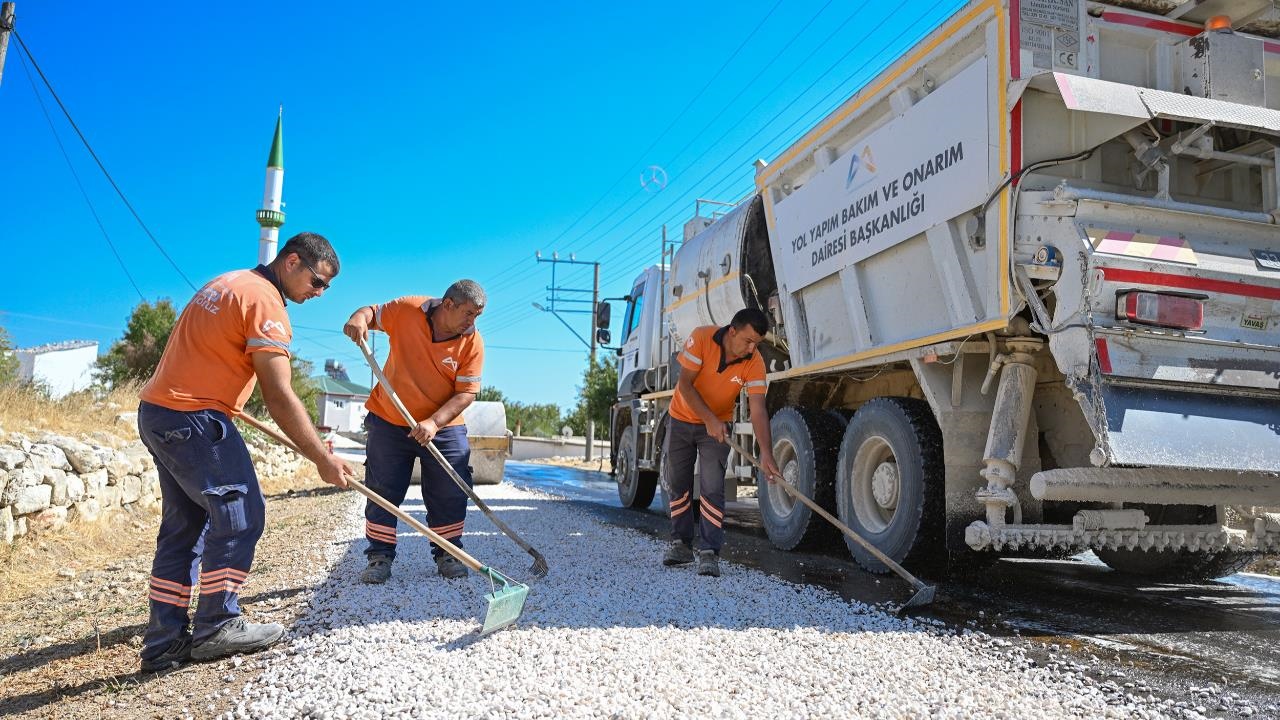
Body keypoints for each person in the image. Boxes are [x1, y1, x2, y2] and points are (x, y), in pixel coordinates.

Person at [136, 232, 354, 672]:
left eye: (327, 287)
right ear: (291, 262)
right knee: (240, 516)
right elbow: (279, 393)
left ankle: (164, 643)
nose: (319, 293)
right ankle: (217, 624)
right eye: (317, 282)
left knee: (185, 529)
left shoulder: (227, 283)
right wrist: (322, 458)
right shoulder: (265, 301)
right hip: (195, 418)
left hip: (159, 412)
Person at [342, 280, 486, 584]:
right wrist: (358, 318)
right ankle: (379, 556)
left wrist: (434, 422)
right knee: (382, 489)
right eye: (469, 313)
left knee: (451, 487)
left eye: (477, 315)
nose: (472, 321)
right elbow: (372, 313)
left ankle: (448, 552)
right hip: (389, 419)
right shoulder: (408, 310)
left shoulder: (472, 342)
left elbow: (466, 393)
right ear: (448, 305)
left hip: (443, 425)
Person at [662, 307, 781, 577]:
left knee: (713, 487)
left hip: (717, 428)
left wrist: (766, 453)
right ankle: (680, 545)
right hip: (681, 420)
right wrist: (709, 419)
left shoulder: (755, 361)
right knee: (678, 483)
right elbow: (685, 385)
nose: (751, 349)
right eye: (748, 341)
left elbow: (758, 409)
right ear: (732, 331)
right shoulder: (701, 338)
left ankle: (709, 553)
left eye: (756, 343)